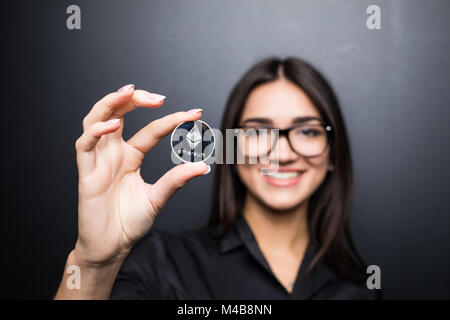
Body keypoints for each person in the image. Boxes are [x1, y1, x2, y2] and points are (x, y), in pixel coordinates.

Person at [55, 57, 379, 299]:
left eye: (308, 130)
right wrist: (94, 263)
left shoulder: (360, 288)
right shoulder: (161, 265)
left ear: (333, 153)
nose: (282, 153)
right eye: (257, 132)